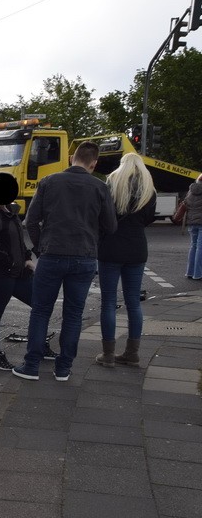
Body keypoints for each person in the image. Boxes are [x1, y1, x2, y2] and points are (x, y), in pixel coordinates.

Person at [12, 141, 118, 381]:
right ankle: (63, 368)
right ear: (94, 163)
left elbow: (30, 221)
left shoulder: (49, 182)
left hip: (52, 255)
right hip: (84, 257)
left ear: (72, 158)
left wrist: (41, 247)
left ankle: (31, 366)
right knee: (73, 314)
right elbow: (111, 226)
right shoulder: (100, 187)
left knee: (41, 311)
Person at [0, 172, 57, 370]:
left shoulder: (9, 213)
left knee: (40, 305)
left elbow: (19, 244)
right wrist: (11, 263)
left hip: (18, 273)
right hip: (1, 274)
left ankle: (38, 345)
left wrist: (27, 259)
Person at [95, 153, 157, 368]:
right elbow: (149, 218)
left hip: (110, 248)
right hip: (137, 249)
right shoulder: (149, 189)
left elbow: (101, 215)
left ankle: (108, 354)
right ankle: (132, 353)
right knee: (133, 302)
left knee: (108, 303)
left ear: (122, 166)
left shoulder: (112, 183)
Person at [185, 174, 202, 280]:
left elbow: (186, 203)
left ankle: (190, 272)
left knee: (193, 246)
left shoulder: (191, 191)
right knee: (200, 247)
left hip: (191, 221)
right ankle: (198, 274)